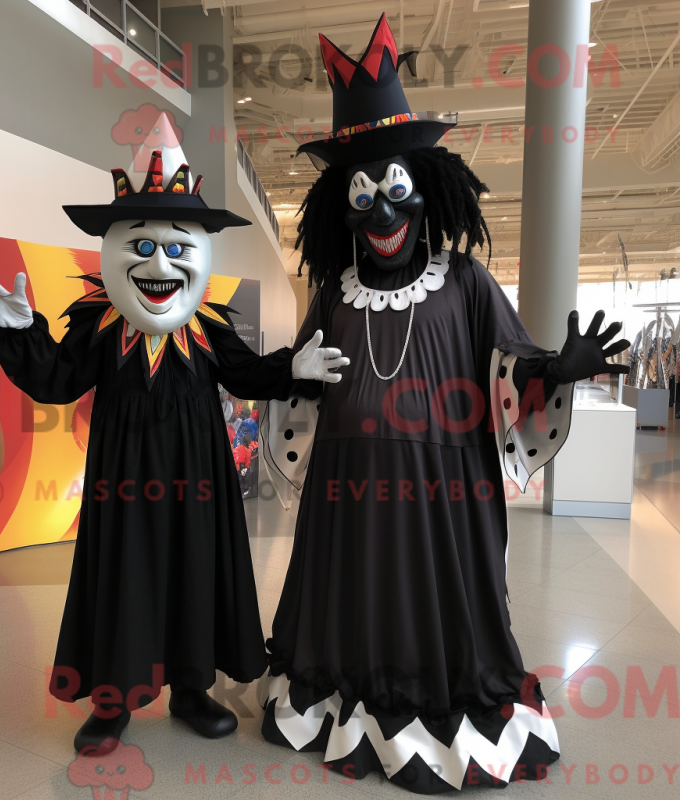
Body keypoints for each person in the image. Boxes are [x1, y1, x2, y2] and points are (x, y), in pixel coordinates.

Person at [261, 16, 630, 794]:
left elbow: (511, 364)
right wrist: (290, 373)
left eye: (395, 191)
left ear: (427, 190)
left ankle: (439, 696)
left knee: (439, 599)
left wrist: (559, 368)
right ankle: (347, 685)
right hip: (345, 486)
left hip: (444, 488)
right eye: (362, 197)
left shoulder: (464, 281)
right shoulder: (333, 291)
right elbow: (302, 377)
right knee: (352, 593)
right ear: (339, 207)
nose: (382, 215)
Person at [0, 120, 349, 755]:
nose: (160, 264)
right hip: (122, 487)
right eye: (141, 246)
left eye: (176, 248)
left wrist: (293, 366)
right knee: (124, 579)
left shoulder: (209, 329)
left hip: (200, 485)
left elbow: (247, 374)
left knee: (195, 573)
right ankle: (112, 701)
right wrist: (22, 331)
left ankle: (191, 689)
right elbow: (57, 379)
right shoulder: (97, 326)